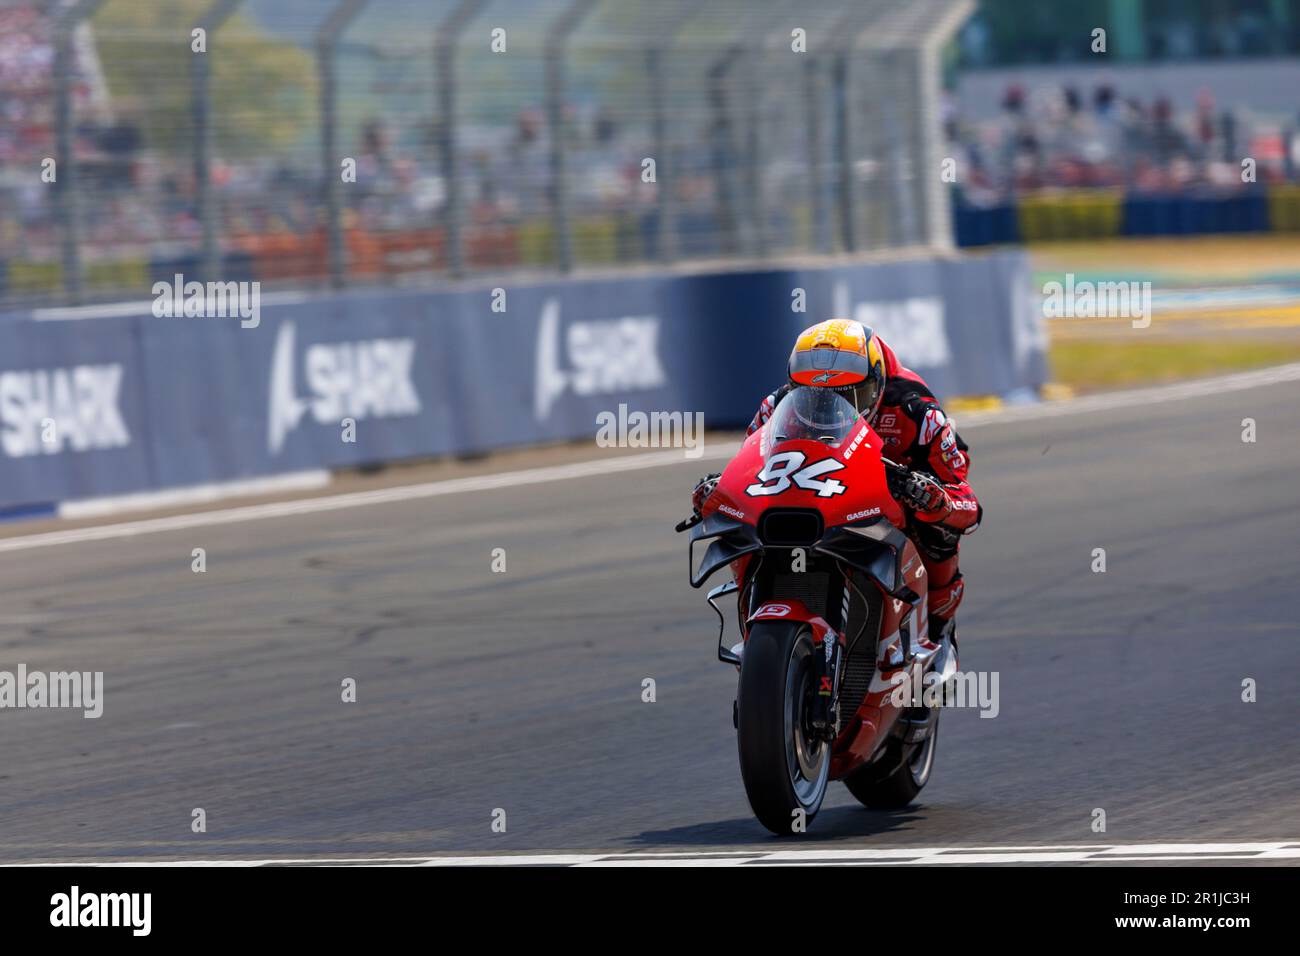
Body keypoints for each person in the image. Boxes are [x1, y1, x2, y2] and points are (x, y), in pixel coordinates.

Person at [691, 318, 981, 641]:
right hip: (815, 490)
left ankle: (939, 632)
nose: (832, 409)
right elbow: (751, 464)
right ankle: (758, 617)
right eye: (815, 395)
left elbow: (967, 503)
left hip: (890, 491)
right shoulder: (775, 407)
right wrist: (721, 491)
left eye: (850, 397)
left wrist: (932, 498)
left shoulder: (916, 411)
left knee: (939, 531)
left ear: (877, 383)